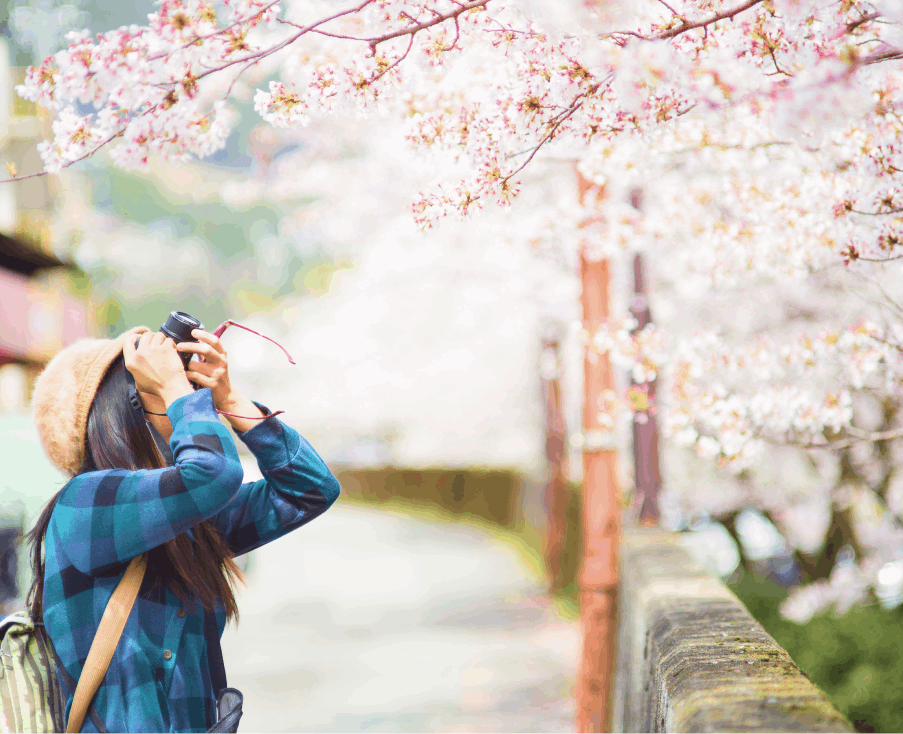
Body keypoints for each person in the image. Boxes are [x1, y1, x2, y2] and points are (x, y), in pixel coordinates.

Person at [22, 325, 341, 734]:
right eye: (160, 391)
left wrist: (230, 399)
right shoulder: (85, 503)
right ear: (121, 413)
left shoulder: (186, 523)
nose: (187, 405)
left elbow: (311, 490)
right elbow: (213, 474)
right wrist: (178, 388)